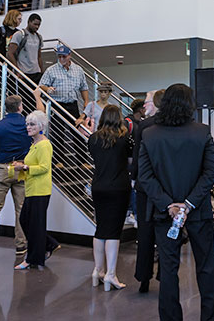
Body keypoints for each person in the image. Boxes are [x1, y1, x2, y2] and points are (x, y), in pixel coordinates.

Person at [137, 84, 214, 321]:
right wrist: (189, 203)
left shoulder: (150, 135)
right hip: (198, 212)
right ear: (189, 104)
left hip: (164, 214)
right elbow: (211, 172)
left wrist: (169, 205)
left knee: (169, 270)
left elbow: (145, 176)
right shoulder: (201, 132)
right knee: (206, 267)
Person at [88, 105, 133, 291]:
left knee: (100, 229)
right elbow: (130, 162)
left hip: (98, 187)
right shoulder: (125, 140)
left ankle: (97, 270)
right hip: (118, 187)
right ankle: (111, 275)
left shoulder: (93, 139)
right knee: (114, 231)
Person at [0, 95, 32, 259]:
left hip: (2, 169)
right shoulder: (27, 125)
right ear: (20, 107)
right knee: (21, 208)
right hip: (21, 168)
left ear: (5, 108)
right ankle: (20, 245)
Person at [12, 111, 60, 269]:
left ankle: (33, 258)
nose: (28, 127)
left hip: (40, 190)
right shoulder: (34, 144)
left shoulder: (44, 145)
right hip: (32, 189)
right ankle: (49, 244)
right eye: (27, 124)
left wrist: (24, 167)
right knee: (27, 222)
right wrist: (21, 167)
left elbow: (44, 168)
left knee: (33, 225)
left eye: (32, 124)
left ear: (41, 127)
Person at [132, 89, 164, 294]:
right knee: (165, 233)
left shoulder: (144, 126)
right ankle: (164, 275)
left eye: (148, 101)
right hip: (166, 187)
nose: (145, 105)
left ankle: (143, 277)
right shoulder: (173, 124)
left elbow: (137, 158)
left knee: (145, 232)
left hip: (145, 186)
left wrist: (134, 178)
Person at [39, 44, 89, 121]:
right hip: (57, 104)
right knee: (58, 129)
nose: (62, 59)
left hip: (73, 104)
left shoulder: (78, 70)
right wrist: (48, 89)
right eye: (59, 57)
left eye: (64, 56)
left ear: (69, 55)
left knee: (75, 128)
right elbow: (41, 85)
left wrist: (86, 101)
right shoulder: (51, 70)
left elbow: (83, 87)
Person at [7, 13, 44, 83]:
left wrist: (42, 72)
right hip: (23, 72)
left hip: (36, 72)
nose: (37, 27)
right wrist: (17, 70)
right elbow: (10, 53)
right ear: (29, 22)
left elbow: (39, 56)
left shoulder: (39, 37)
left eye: (39, 25)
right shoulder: (19, 34)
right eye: (35, 24)